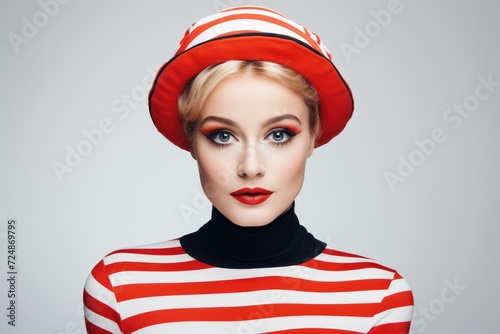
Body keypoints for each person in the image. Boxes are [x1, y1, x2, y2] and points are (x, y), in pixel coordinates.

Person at [83, 5, 414, 333]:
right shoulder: (119, 287)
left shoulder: (377, 296)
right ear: (192, 142)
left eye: (279, 134)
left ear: (313, 136)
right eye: (223, 136)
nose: (250, 167)